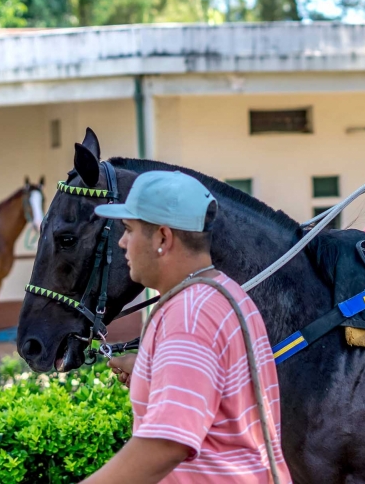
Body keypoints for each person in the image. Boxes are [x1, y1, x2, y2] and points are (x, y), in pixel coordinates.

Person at [82, 170, 291, 484]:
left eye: (129, 229)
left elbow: (166, 444)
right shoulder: (223, 292)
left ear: (163, 239)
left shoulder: (188, 316)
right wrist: (154, 369)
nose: (123, 242)